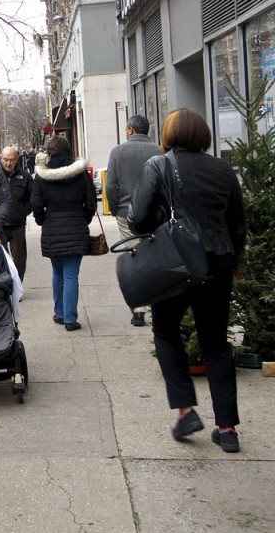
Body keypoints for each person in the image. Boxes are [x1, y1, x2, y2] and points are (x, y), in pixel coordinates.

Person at [126, 108, 246, 453]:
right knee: (216, 344)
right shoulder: (224, 170)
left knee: (165, 331)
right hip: (218, 264)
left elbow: (136, 219)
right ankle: (227, 429)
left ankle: (185, 410)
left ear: (167, 135)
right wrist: (233, 259)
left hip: (175, 264)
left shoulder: (158, 166)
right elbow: (238, 223)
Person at [30, 136, 96, 331]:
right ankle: (70, 319)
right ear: (69, 151)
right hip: (76, 225)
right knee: (71, 275)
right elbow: (91, 201)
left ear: (50, 153)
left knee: (57, 273)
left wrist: (42, 219)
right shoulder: (81, 173)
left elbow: (36, 203)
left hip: (52, 227)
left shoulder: (42, 175)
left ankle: (59, 313)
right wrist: (84, 218)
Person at [105, 114, 162, 327]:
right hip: (155, 214)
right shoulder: (159, 151)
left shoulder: (118, 152)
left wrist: (114, 208)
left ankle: (139, 309)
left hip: (126, 213)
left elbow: (111, 185)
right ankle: (158, 304)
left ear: (130, 130)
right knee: (155, 254)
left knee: (134, 254)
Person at [0, 146, 33, 281]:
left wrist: (23, 212)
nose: (8, 163)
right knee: (1, 258)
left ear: (17, 159)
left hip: (17, 224)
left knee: (19, 260)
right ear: (1, 159)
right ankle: (4, 287)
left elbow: (33, 197)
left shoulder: (25, 177)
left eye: (11, 160)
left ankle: (17, 286)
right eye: (5, 160)